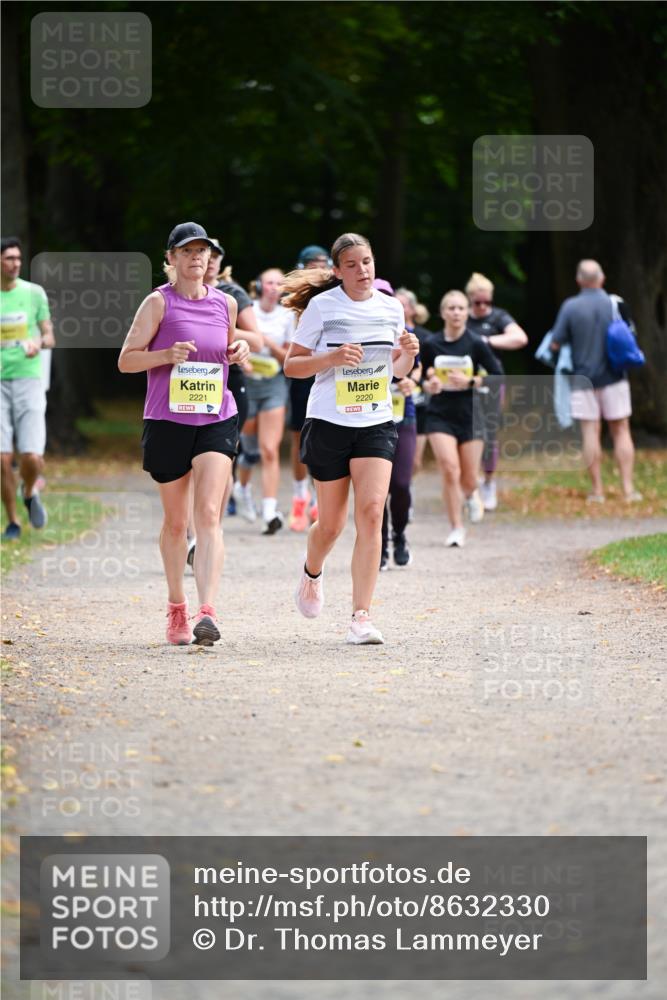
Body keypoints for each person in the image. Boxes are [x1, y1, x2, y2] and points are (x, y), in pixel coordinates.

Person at [283, 233, 419, 644]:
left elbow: (396, 371)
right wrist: (331, 358)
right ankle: (312, 573)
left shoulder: (390, 307)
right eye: (354, 264)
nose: (363, 270)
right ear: (338, 271)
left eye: (368, 262)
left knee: (373, 511)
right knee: (331, 525)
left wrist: (409, 353)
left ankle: (361, 617)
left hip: (376, 420)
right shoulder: (323, 307)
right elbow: (292, 367)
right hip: (329, 421)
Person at [118, 222, 250, 645]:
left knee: (208, 514)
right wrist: (164, 355)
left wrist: (239, 350)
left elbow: (225, 350)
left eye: (203, 251)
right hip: (168, 421)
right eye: (188, 251)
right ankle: (177, 605)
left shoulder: (225, 304)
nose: (197, 258)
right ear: (171, 259)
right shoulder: (157, 303)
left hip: (216, 417)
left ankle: (206, 611)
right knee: (177, 523)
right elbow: (126, 360)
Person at [163, 238, 263, 568]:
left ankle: (210, 531)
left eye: (212, 255)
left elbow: (255, 339)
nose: (207, 261)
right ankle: (194, 536)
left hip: (227, 385)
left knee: (220, 463)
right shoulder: (168, 295)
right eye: (196, 253)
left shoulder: (232, 295)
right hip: (181, 392)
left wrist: (236, 345)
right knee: (188, 469)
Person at [549, 259, 642, 503]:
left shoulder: (570, 306)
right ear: (601, 278)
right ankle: (628, 490)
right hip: (615, 377)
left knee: (590, 432)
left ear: (579, 280)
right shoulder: (616, 303)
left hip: (583, 379)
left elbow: (555, 343)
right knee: (621, 430)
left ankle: (597, 491)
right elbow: (631, 335)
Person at [421, 290, 503, 548]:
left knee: (468, 477)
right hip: (439, 414)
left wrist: (471, 381)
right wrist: (429, 384)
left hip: (470, 414)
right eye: (451, 308)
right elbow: (420, 376)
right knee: (449, 469)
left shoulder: (476, 343)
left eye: (461, 308)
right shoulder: (432, 344)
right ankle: (456, 527)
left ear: (467, 313)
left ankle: (471, 493)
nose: (456, 312)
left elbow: (497, 374)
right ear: (443, 313)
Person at [1, 237, 55, 540]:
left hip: (29, 378)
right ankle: (12, 521)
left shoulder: (34, 294)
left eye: (18, 258)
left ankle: (29, 489)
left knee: (32, 457)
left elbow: (50, 335)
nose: (15, 263)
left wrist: (39, 342)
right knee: (1, 457)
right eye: (9, 258)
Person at [234, 268, 294, 534]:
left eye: (278, 283)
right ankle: (241, 488)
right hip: (247, 382)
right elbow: (233, 341)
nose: (273, 287)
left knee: (270, 449)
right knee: (249, 449)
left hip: (274, 384)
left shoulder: (288, 316)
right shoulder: (248, 310)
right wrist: (244, 361)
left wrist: (268, 343)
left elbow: (290, 359)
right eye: (269, 282)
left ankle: (270, 511)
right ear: (259, 285)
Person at [465, 272, 528, 511]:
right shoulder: (463, 318)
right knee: (469, 433)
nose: (482, 307)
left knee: (490, 432)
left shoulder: (499, 317)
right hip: (467, 382)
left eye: (486, 302)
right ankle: (470, 487)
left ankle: (489, 480)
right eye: (477, 303)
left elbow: (520, 338)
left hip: (492, 381)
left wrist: (487, 342)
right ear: (470, 300)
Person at [372, 280, 419, 571]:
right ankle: (379, 544)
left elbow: (418, 371)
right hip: (372, 417)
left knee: (401, 483)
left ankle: (400, 535)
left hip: (404, 415)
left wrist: (413, 380)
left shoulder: (406, 334)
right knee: (378, 490)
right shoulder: (356, 331)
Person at [287, 245, 332, 532]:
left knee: (324, 435)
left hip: (329, 373)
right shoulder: (293, 303)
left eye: (323, 264)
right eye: (312, 264)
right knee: (298, 436)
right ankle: (299, 494)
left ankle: (319, 496)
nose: (319, 268)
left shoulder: (334, 297)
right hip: (302, 375)